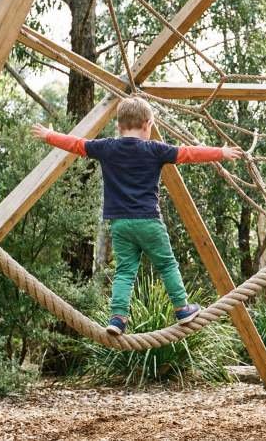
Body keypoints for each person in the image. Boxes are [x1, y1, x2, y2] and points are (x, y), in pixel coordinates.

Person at [31, 97, 243, 335]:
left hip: (120, 225)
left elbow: (76, 144)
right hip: (149, 221)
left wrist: (50, 136)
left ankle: (118, 318)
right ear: (148, 124)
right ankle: (182, 308)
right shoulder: (154, 149)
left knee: (124, 271)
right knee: (166, 264)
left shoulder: (106, 147)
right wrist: (221, 153)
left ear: (119, 125)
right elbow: (188, 153)